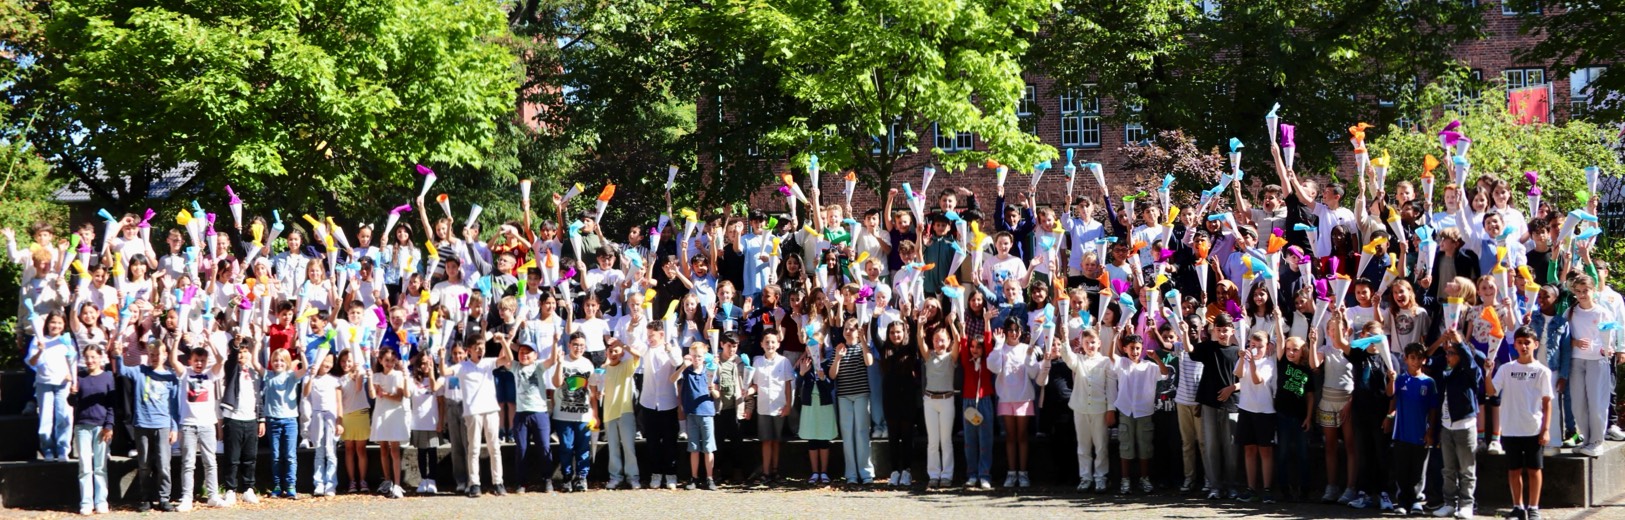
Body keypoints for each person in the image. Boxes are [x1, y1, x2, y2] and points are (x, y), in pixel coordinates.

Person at [1487, 327, 1554, 520]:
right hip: (1510, 428)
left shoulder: (1542, 371)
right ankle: (1518, 506)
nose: (1523, 346)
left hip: (1533, 428)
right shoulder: (1506, 369)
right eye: (1520, 342)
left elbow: (1547, 402)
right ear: (1514, 344)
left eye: (1527, 342)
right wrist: (1488, 373)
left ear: (1535, 344)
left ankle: (1533, 507)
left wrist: (1545, 429)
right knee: (1514, 470)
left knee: (1534, 469)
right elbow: (1491, 391)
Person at [111, 339, 179, 512]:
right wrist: (118, 355)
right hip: (142, 424)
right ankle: (145, 498)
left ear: (165, 355)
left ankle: (164, 498)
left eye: (158, 354)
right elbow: (122, 370)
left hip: (163, 425)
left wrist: (174, 427)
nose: (155, 357)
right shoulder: (140, 371)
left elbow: (174, 405)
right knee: (144, 464)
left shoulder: (171, 377)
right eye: (152, 354)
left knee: (164, 464)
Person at [457, 328, 513, 497]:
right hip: (473, 411)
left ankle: (498, 482)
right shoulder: (463, 367)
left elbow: (508, 359)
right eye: (477, 348)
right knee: (474, 448)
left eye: (482, 347)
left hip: (491, 409)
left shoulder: (488, 363)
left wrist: (503, 341)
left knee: (494, 447)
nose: (480, 350)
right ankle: (474, 483)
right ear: (469, 350)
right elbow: (445, 372)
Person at [171, 343, 224, 511]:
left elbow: (221, 360)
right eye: (196, 360)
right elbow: (173, 361)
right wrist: (177, 339)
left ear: (206, 361)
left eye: (202, 360)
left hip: (207, 424)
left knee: (210, 462)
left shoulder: (210, 374)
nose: (199, 363)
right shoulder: (186, 373)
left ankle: (213, 495)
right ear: (190, 361)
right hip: (188, 425)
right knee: (188, 463)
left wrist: (210, 342)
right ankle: (187, 497)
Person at [1388, 343, 1439, 516]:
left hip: (1420, 434)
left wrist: (1430, 432)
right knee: (1402, 469)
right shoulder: (1400, 379)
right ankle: (1402, 501)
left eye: (1419, 358)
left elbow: (1433, 409)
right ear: (1405, 359)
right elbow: (1391, 396)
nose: (1416, 361)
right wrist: (1389, 416)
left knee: (1419, 470)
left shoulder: (1429, 382)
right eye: (1412, 358)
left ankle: (1417, 500)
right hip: (1402, 433)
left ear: (1424, 360)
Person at [829, 317, 876, 485]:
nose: (848, 332)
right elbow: (832, 375)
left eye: (851, 329)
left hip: (861, 394)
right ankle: (851, 474)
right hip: (844, 396)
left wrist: (863, 339)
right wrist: (838, 358)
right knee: (847, 435)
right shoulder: (839, 348)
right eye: (846, 329)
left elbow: (869, 362)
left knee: (862, 432)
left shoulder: (863, 346)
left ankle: (866, 472)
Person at [219, 336, 264, 506]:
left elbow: (258, 397)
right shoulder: (231, 368)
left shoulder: (253, 372)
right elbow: (231, 360)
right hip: (234, 418)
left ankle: (248, 489)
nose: (242, 355)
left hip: (251, 419)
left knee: (250, 457)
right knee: (232, 457)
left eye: (245, 352)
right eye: (240, 352)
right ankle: (230, 489)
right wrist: (235, 346)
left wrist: (261, 419)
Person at [553, 332, 599, 492]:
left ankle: (581, 477)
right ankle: (566, 477)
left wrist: (595, 414)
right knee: (566, 447)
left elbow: (593, 392)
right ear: (569, 345)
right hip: (563, 414)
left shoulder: (588, 364)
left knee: (583, 448)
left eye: (581, 345)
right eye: (575, 345)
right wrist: (559, 364)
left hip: (583, 414)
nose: (578, 348)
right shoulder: (562, 361)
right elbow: (556, 383)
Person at [72, 345, 115, 515]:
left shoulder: (107, 377)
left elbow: (111, 404)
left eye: (93, 357)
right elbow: (72, 402)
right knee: (85, 466)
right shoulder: (80, 377)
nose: (90, 361)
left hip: (101, 426)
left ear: (100, 358)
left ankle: (101, 501)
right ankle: (86, 502)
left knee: (100, 466)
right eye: (87, 357)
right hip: (82, 426)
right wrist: (72, 392)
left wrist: (109, 425)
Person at [750, 330, 794, 485]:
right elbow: (755, 385)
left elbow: (788, 384)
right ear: (761, 344)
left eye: (773, 342)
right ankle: (766, 472)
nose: (770, 345)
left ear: (778, 344)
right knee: (766, 440)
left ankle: (775, 471)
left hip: (779, 406)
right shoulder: (757, 362)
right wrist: (748, 391)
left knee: (776, 440)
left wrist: (788, 405)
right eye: (767, 342)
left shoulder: (784, 361)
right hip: (763, 407)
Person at [600, 336, 643, 489]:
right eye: (610, 351)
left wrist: (623, 345)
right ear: (606, 353)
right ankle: (615, 477)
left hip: (625, 411)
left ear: (622, 353)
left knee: (629, 447)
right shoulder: (602, 370)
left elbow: (637, 355)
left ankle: (633, 477)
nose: (613, 354)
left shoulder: (627, 366)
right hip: (609, 412)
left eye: (616, 351)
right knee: (613, 447)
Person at [676, 340, 720, 490]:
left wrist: (712, 389)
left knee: (708, 447)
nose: (696, 359)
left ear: (704, 356)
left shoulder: (710, 371)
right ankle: (694, 477)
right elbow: (672, 379)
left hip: (707, 413)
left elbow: (717, 394)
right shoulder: (686, 371)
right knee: (693, 447)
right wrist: (683, 366)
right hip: (691, 414)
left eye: (699, 356)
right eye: (694, 356)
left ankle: (709, 478)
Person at [370, 347, 411, 498]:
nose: (389, 363)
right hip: (381, 413)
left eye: (392, 360)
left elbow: (399, 397)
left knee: (394, 450)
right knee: (383, 448)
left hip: (395, 414)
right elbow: (373, 394)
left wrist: (385, 393)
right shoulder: (376, 376)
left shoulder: (399, 375)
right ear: (380, 361)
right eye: (386, 360)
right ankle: (387, 480)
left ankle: (398, 484)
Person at [407, 351, 445, 495]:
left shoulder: (437, 381)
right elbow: (407, 394)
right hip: (418, 422)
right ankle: (423, 479)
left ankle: (432, 480)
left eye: (428, 363)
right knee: (421, 452)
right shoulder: (413, 380)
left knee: (432, 452)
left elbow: (441, 403)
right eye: (422, 363)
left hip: (433, 422)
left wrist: (441, 421)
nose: (425, 366)